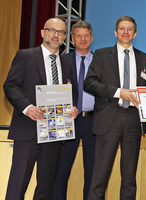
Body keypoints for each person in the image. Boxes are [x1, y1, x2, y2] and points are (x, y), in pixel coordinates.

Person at [3, 18, 78, 200]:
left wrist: (74, 108)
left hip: (54, 132)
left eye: (60, 32)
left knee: (46, 188)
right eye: (52, 30)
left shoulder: (67, 63)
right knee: (18, 185)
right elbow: (10, 85)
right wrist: (27, 107)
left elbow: (72, 93)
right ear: (43, 33)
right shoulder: (26, 55)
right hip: (28, 130)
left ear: (64, 37)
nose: (56, 35)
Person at [84, 16, 146, 200]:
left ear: (135, 34)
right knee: (99, 176)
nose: (125, 32)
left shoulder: (144, 58)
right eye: (122, 28)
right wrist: (117, 92)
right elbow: (89, 83)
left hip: (133, 120)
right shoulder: (102, 54)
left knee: (129, 178)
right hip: (109, 118)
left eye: (130, 29)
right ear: (115, 32)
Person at [53, 20, 95, 200]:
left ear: (92, 38)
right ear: (72, 39)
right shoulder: (62, 60)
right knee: (61, 169)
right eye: (78, 35)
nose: (83, 39)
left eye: (86, 35)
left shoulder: (101, 61)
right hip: (68, 119)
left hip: (94, 120)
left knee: (93, 171)